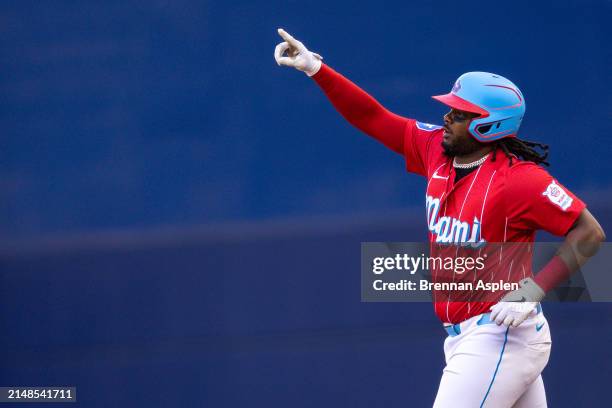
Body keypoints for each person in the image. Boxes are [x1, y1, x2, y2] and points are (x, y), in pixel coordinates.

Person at [273, 28, 606, 407]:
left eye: (461, 114)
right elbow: (372, 117)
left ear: (490, 125)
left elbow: (589, 232)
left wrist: (533, 290)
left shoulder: (521, 180)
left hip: (498, 336)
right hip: (466, 337)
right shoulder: (435, 149)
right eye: (451, 108)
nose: (447, 116)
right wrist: (316, 68)